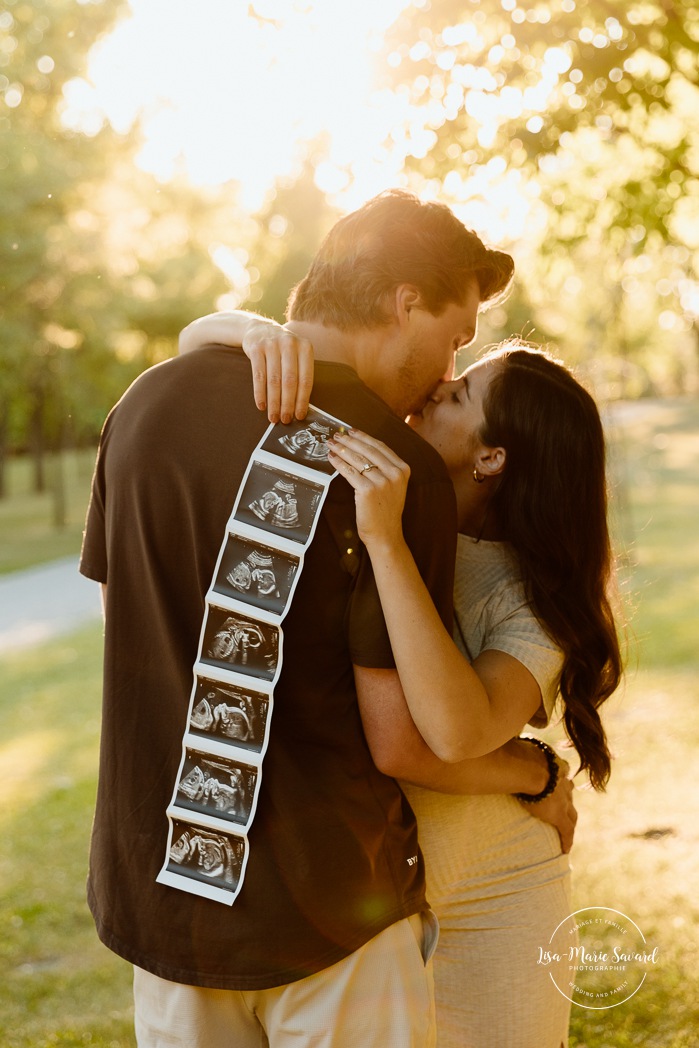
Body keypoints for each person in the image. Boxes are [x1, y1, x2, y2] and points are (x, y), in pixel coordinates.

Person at [80, 188, 556, 1048]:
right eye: (454, 336)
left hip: (163, 899)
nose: (448, 369)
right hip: (330, 916)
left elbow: (129, 631)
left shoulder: (143, 406)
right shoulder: (392, 468)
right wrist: (535, 775)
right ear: (405, 303)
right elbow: (395, 736)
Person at [180, 320, 620, 1048]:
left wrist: (386, 542)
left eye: (463, 393)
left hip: (494, 897)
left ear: (492, 457)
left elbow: (450, 732)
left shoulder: (530, 598)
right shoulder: (383, 485)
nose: (441, 383)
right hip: (372, 899)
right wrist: (252, 332)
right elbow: (195, 345)